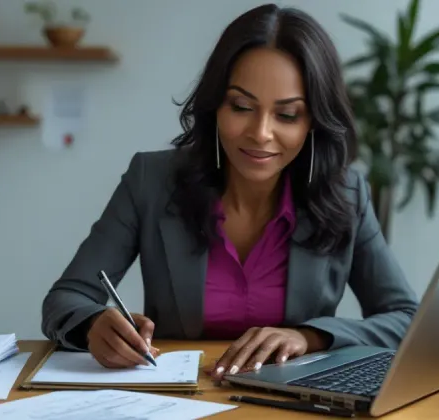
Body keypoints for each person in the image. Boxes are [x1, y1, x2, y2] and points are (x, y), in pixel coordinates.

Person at [40, 3, 419, 380]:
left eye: (287, 115)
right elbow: (66, 299)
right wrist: (93, 325)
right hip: (178, 397)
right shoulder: (151, 180)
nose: (261, 133)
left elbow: (406, 318)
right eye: (241, 106)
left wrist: (310, 337)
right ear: (216, 106)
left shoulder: (347, 194)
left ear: (313, 122)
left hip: (293, 402)